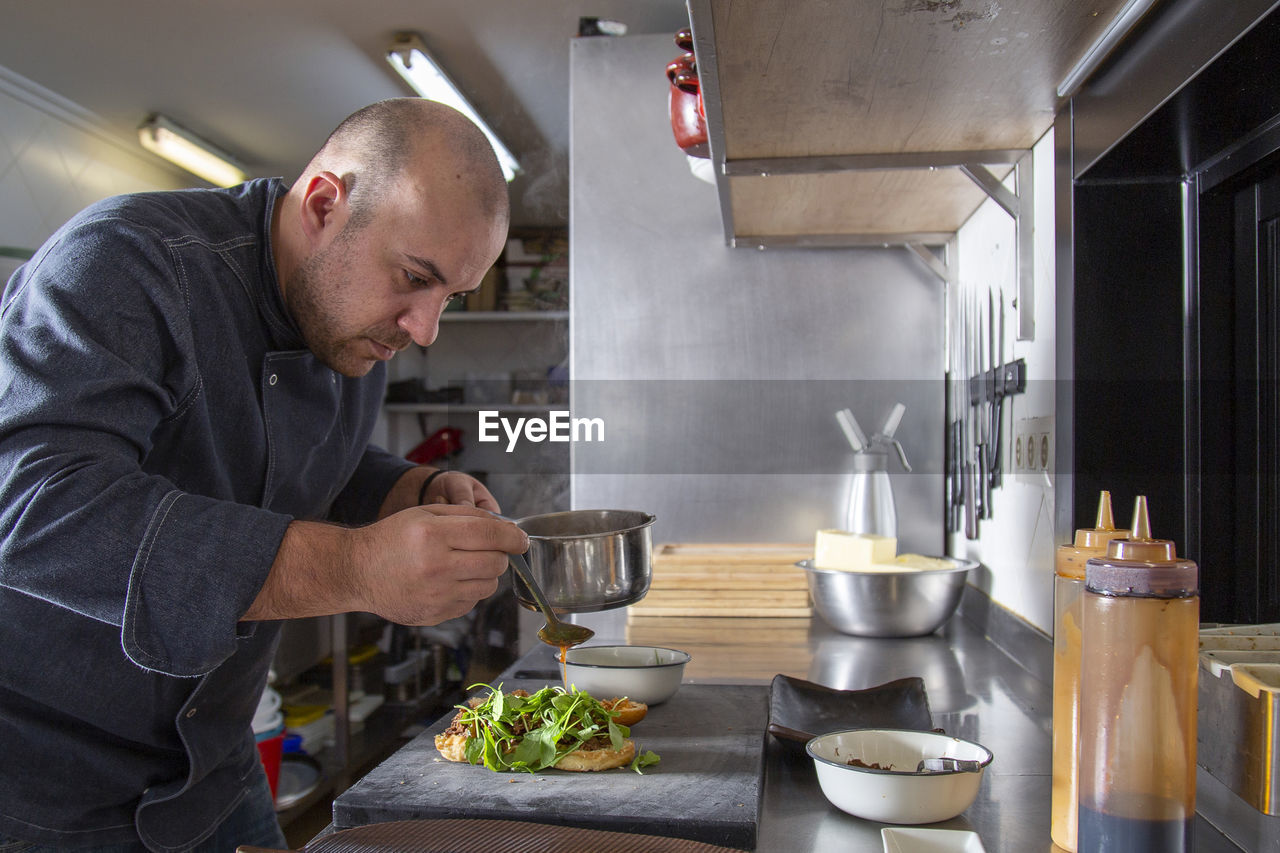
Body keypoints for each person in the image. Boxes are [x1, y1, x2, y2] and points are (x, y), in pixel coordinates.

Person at [0, 98, 529, 851]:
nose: (425, 329)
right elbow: (33, 508)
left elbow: (306, 465)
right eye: (415, 277)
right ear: (323, 204)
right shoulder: (126, 264)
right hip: (43, 789)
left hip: (215, 767)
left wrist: (402, 491)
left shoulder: (353, 325)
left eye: (450, 297)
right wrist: (355, 565)